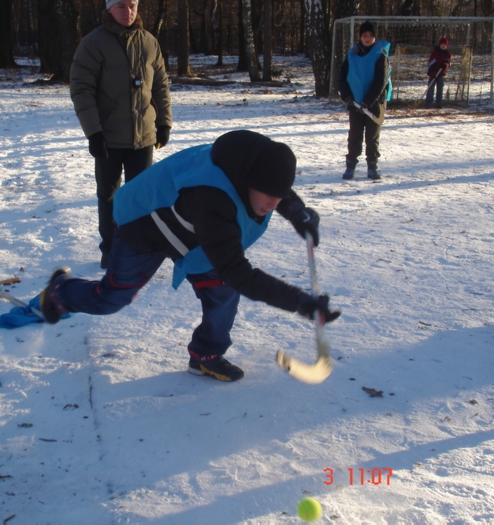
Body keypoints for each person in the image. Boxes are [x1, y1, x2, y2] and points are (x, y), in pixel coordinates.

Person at [27, 131, 340, 383]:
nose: (274, 204)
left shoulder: (255, 167)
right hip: (145, 225)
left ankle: (206, 354)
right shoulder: (213, 200)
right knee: (113, 298)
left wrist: (297, 212)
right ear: (247, 181)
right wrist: (299, 301)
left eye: (280, 196)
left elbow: (274, 186)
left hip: (192, 233)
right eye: (268, 195)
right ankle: (60, 293)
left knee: (222, 292)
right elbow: (237, 271)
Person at [69, 0, 173, 270]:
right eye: (121, 6)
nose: (128, 11)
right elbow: (82, 90)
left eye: (133, 5)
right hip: (108, 138)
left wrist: (163, 123)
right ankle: (111, 248)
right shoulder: (93, 44)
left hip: (143, 137)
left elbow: (160, 85)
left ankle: (139, 248)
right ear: (109, 9)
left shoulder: (149, 42)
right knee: (110, 196)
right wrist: (94, 133)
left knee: (141, 198)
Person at [338, 21, 391, 181]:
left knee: (372, 137)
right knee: (354, 136)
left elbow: (380, 82)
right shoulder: (352, 55)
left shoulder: (380, 56)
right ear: (360, 37)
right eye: (364, 35)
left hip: (373, 105)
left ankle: (372, 166)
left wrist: (368, 102)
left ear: (375, 37)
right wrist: (347, 97)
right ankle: (350, 165)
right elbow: (342, 79)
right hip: (355, 104)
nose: (367, 38)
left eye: (370, 35)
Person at [425, 38, 452, 109]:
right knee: (431, 89)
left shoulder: (447, 54)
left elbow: (449, 62)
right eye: (442, 44)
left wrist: (446, 65)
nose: (443, 46)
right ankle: (428, 103)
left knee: (440, 89)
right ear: (439, 45)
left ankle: (439, 104)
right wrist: (433, 73)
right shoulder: (435, 53)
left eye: (445, 45)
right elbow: (431, 64)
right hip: (433, 74)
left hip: (441, 74)